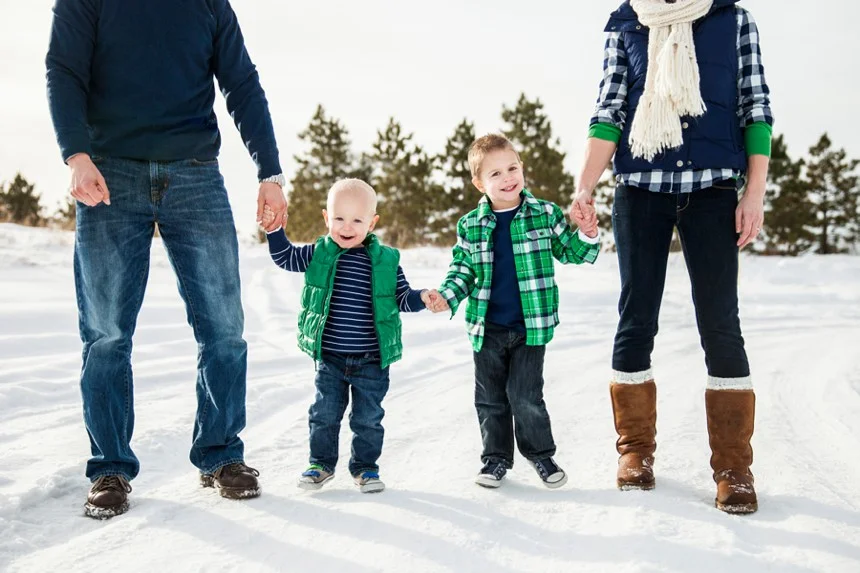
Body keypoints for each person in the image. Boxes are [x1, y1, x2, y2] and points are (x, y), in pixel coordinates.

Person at [46, 0, 288, 518]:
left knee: (224, 327)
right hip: (108, 172)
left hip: (195, 173)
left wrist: (269, 171)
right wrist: (76, 154)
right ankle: (110, 466)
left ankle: (221, 453)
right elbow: (64, 70)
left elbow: (242, 83)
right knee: (106, 333)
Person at [572, 0, 773, 514]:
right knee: (636, 317)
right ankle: (635, 452)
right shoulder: (627, 23)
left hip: (712, 190)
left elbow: (754, 108)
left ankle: (734, 467)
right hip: (640, 189)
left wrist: (754, 193)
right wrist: (585, 187)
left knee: (720, 323)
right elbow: (610, 109)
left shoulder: (734, 20)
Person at [431, 134, 599, 489]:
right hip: (487, 327)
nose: (507, 178)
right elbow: (463, 271)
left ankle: (540, 455)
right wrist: (446, 296)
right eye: (495, 174)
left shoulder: (545, 214)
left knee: (525, 396)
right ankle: (495, 460)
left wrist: (586, 233)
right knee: (490, 399)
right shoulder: (470, 225)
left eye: (512, 168)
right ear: (480, 183)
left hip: (531, 326)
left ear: (522, 168)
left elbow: (570, 252)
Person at [262, 179, 438, 493]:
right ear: (326, 218)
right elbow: (285, 257)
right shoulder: (319, 254)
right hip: (330, 359)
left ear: (372, 223)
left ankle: (365, 468)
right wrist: (275, 230)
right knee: (324, 414)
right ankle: (320, 464)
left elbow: (401, 298)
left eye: (357, 220)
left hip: (372, 360)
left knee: (368, 418)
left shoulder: (385, 261)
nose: (347, 227)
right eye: (339, 218)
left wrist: (422, 297)